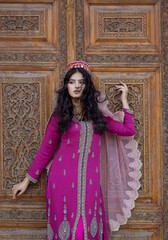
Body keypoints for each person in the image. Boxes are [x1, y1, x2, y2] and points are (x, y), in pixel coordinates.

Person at [12, 61, 141, 240]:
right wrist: (26, 181)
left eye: (81, 82)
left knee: (84, 231)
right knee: (68, 232)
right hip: (62, 181)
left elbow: (128, 131)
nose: (77, 86)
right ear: (66, 85)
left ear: (86, 86)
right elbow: (45, 150)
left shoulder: (97, 117)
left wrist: (125, 101)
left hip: (91, 183)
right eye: (72, 82)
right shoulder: (60, 117)